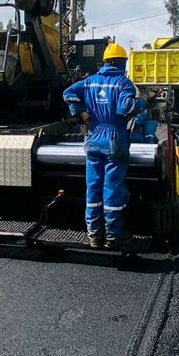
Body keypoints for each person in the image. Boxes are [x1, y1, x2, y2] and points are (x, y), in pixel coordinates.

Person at [63, 42, 145, 249]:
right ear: (122, 63)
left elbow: (68, 94)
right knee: (112, 188)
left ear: (105, 62)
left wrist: (82, 111)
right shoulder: (123, 83)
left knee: (93, 186)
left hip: (93, 136)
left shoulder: (89, 81)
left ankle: (94, 234)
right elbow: (126, 107)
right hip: (113, 138)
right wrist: (144, 100)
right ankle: (113, 235)